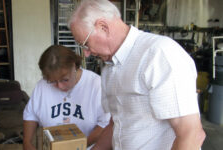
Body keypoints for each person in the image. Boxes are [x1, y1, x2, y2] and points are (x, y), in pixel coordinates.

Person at [68, 0, 206, 149]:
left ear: (103, 27)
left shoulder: (159, 54)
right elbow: (116, 123)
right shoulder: (109, 67)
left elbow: (191, 135)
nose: (86, 54)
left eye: (86, 44)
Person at [23, 45, 110, 150]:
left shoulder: (97, 85)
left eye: (65, 80)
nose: (60, 86)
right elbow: (31, 115)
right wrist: (27, 143)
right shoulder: (42, 86)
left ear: (74, 66)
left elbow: (106, 124)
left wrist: (77, 146)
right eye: (53, 81)